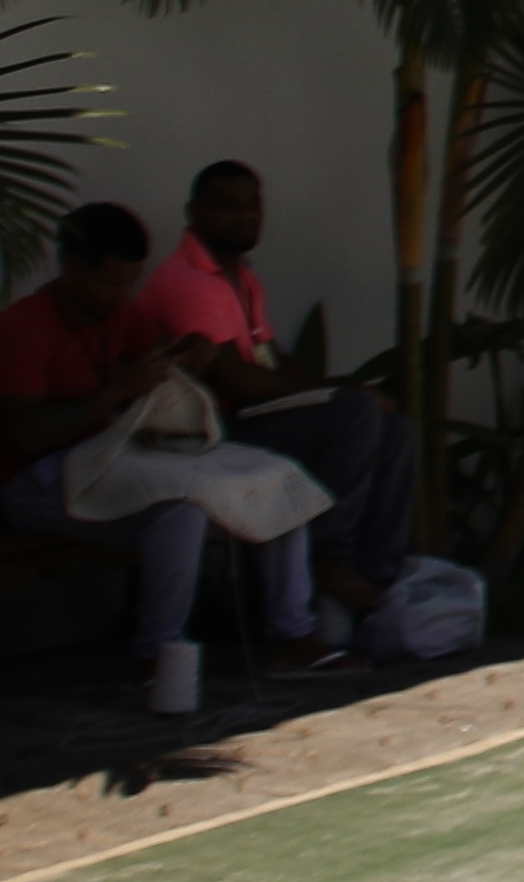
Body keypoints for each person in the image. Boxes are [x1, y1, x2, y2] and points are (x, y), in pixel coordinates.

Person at [0, 197, 329, 715]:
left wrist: (189, 357)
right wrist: (117, 392)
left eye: (128, 284)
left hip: (118, 461)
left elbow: (156, 374)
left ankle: (293, 635)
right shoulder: (17, 331)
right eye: (108, 284)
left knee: (271, 473)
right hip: (39, 480)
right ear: (70, 268)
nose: (120, 297)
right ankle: (158, 655)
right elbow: (27, 437)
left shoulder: (122, 316)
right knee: (179, 506)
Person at [132, 160, 420, 651]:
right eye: (228, 206)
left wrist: (337, 388)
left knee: (395, 428)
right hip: (211, 434)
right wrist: (339, 398)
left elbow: (270, 359)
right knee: (353, 416)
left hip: (253, 417)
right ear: (194, 212)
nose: (244, 216)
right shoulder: (188, 282)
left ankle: (376, 577)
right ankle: (326, 558)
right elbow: (237, 382)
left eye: (253, 204)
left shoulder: (241, 278)